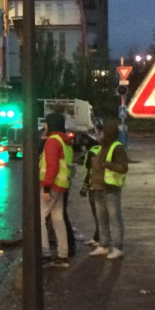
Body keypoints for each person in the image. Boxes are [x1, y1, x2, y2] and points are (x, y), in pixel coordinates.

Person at [87, 121, 128, 259]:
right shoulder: (101, 147)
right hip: (98, 188)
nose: (99, 134)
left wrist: (106, 165)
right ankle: (104, 245)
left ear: (108, 133)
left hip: (111, 189)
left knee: (115, 218)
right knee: (101, 218)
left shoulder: (117, 148)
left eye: (102, 131)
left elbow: (123, 167)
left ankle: (117, 247)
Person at [39, 112, 74, 268]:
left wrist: (46, 188)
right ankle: (62, 255)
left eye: (46, 123)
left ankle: (44, 252)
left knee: (39, 218)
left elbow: (51, 166)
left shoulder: (52, 141)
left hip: (51, 185)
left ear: (51, 124)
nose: (45, 126)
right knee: (58, 218)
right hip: (61, 185)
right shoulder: (65, 141)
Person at [80, 132, 103, 247]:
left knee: (97, 213)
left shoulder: (92, 152)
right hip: (104, 185)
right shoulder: (102, 149)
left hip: (94, 186)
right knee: (101, 213)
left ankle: (100, 238)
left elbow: (89, 171)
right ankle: (98, 236)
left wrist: (84, 188)